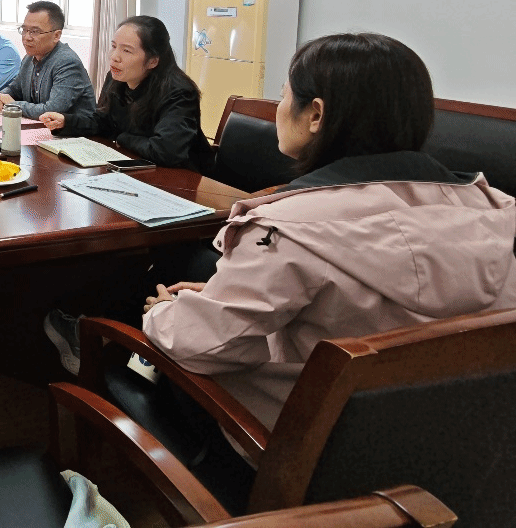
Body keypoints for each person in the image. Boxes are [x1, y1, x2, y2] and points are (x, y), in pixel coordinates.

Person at [51, 33, 516, 480]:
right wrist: (220, 292)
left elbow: (196, 344)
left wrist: (167, 312)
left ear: (316, 114)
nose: (278, 109)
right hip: (447, 457)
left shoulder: (288, 229)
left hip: (295, 453)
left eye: (282, 95)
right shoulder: (495, 211)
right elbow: (363, 306)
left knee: (151, 330)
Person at [39, 15, 213, 172]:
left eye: (127, 50)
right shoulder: (116, 78)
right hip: (137, 167)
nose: (114, 57)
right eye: (114, 46)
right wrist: (66, 122)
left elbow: (165, 151)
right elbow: (103, 122)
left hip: (184, 178)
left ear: (152, 61)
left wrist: (121, 138)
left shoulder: (179, 93)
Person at [0, 0, 97, 121]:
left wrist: (13, 105)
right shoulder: (29, 58)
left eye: (35, 32)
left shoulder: (67, 62)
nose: (27, 37)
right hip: (39, 127)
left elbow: (52, 110)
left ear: (56, 35)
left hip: (72, 131)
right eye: (24, 30)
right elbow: (14, 89)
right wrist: (0, 97)